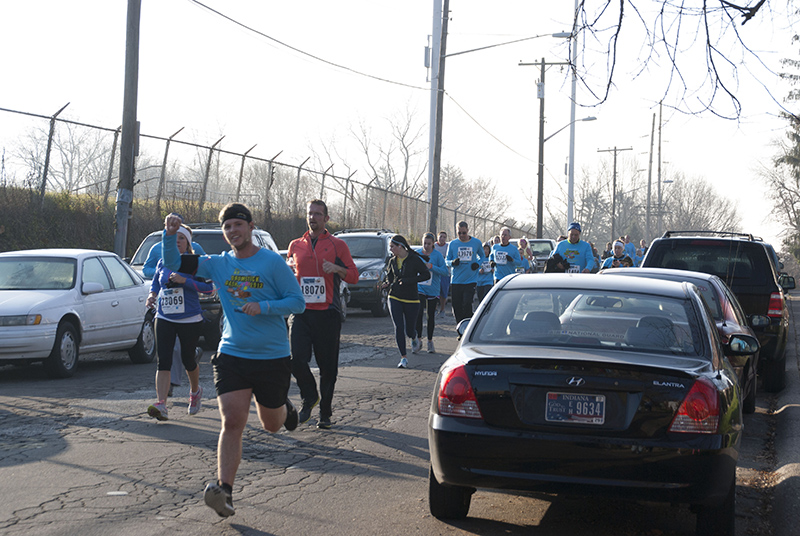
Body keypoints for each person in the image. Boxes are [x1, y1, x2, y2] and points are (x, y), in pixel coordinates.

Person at [161, 204, 305, 519]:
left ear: (251, 227)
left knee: (271, 425)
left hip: (272, 356)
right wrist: (169, 235)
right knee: (233, 421)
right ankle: (224, 491)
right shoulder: (218, 264)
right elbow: (172, 262)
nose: (233, 232)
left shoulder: (271, 262)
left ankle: (284, 408)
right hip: (232, 354)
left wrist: (264, 306)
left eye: (238, 225)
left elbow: (298, 302)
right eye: (227, 227)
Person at [287, 199, 359, 430]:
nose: (313, 217)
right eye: (310, 213)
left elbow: (354, 276)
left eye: (318, 214)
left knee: (328, 367)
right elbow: (288, 276)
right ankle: (310, 396)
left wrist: (336, 268)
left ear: (326, 218)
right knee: (295, 359)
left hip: (327, 313)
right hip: (301, 312)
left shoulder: (338, 245)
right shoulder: (295, 245)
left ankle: (325, 413)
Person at [145, 224, 213, 421]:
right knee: (163, 360)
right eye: (173, 239)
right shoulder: (162, 262)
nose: (177, 242)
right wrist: (152, 295)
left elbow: (208, 289)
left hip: (190, 317)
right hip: (164, 316)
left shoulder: (195, 263)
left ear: (188, 243)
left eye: (181, 238)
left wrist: (186, 282)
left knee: (187, 359)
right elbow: (157, 282)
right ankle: (162, 404)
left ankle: (195, 391)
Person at [382, 234, 430, 368]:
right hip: (395, 296)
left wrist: (408, 281)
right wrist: (387, 283)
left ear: (400, 246)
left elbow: (426, 274)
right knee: (398, 326)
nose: (390, 249)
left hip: (411, 299)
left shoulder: (414, 259)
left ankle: (414, 337)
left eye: (392, 246)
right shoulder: (392, 261)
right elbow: (390, 277)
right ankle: (403, 357)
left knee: (409, 330)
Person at [412, 232, 448, 354]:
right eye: (424, 243)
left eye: (428, 244)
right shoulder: (417, 253)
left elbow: (445, 272)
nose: (426, 246)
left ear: (433, 244)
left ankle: (430, 341)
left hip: (433, 289)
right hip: (420, 287)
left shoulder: (437, 256)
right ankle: (418, 340)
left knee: (430, 316)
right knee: (418, 313)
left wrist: (431, 266)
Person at [445, 221, 485, 323]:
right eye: (459, 233)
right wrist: (452, 263)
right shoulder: (453, 244)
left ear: (468, 231)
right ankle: (460, 327)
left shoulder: (476, 242)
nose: (462, 235)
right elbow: (447, 260)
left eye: (464, 233)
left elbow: (483, 256)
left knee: (467, 304)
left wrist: (478, 264)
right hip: (456, 280)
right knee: (456, 306)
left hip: (470, 279)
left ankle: (468, 327)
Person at [433, 231, 450, 318]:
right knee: (436, 291)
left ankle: (442, 309)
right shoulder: (434, 247)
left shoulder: (448, 247)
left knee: (444, 292)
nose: (442, 238)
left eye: (444, 237)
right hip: (435, 272)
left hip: (445, 272)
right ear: (437, 237)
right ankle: (435, 309)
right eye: (441, 237)